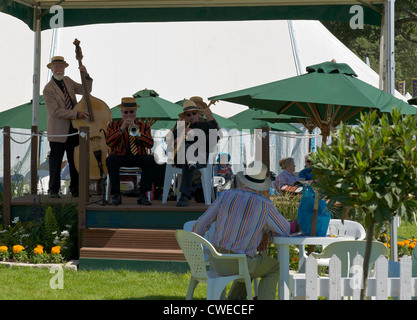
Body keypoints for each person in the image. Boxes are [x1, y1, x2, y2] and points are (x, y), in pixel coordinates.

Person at [192, 161, 297, 300]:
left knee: (248, 260)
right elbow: (285, 230)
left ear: (244, 180)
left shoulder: (225, 196)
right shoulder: (264, 204)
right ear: (262, 184)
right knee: (273, 267)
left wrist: (196, 253)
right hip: (241, 263)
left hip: (217, 261)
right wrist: (272, 230)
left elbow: (201, 224)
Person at [43, 56, 91, 198]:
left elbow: (86, 90)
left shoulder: (68, 81)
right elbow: (55, 111)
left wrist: (86, 75)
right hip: (58, 131)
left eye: (61, 66)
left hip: (73, 128)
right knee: (56, 162)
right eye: (56, 66)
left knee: (75, 161)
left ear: (65, 68)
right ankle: (53, 191)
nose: (59, 69)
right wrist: (77, 113)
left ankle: (76, 190)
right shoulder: (47, 89)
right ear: (51, 69)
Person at [105, 97, 156, 206]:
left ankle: (142, 195)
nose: (129, 115)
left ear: (136, 112)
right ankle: (116, 195)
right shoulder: (113, 125)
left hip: (138, 156)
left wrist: (138, 134)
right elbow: (108, 142)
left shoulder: (144, 126)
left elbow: (150, 143)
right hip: (120, 156)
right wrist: (122, 128)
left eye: (131, 112)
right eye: (126, 112)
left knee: (150, 159)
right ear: (121, 112)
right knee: (111, 159)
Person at [170, 100, 218, 207]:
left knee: (189, 157)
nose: (191, 116)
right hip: (181, 158)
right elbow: (168, 143)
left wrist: (194, 134)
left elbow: (215, 139)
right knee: (187, 150)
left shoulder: (205, 125)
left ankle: (184, 196)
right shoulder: (180, 127)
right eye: (188, 114)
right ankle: (192, 167)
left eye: (194, 113)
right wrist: (174, 141)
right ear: (185, 117)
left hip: (200, 158)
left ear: (198, 114)